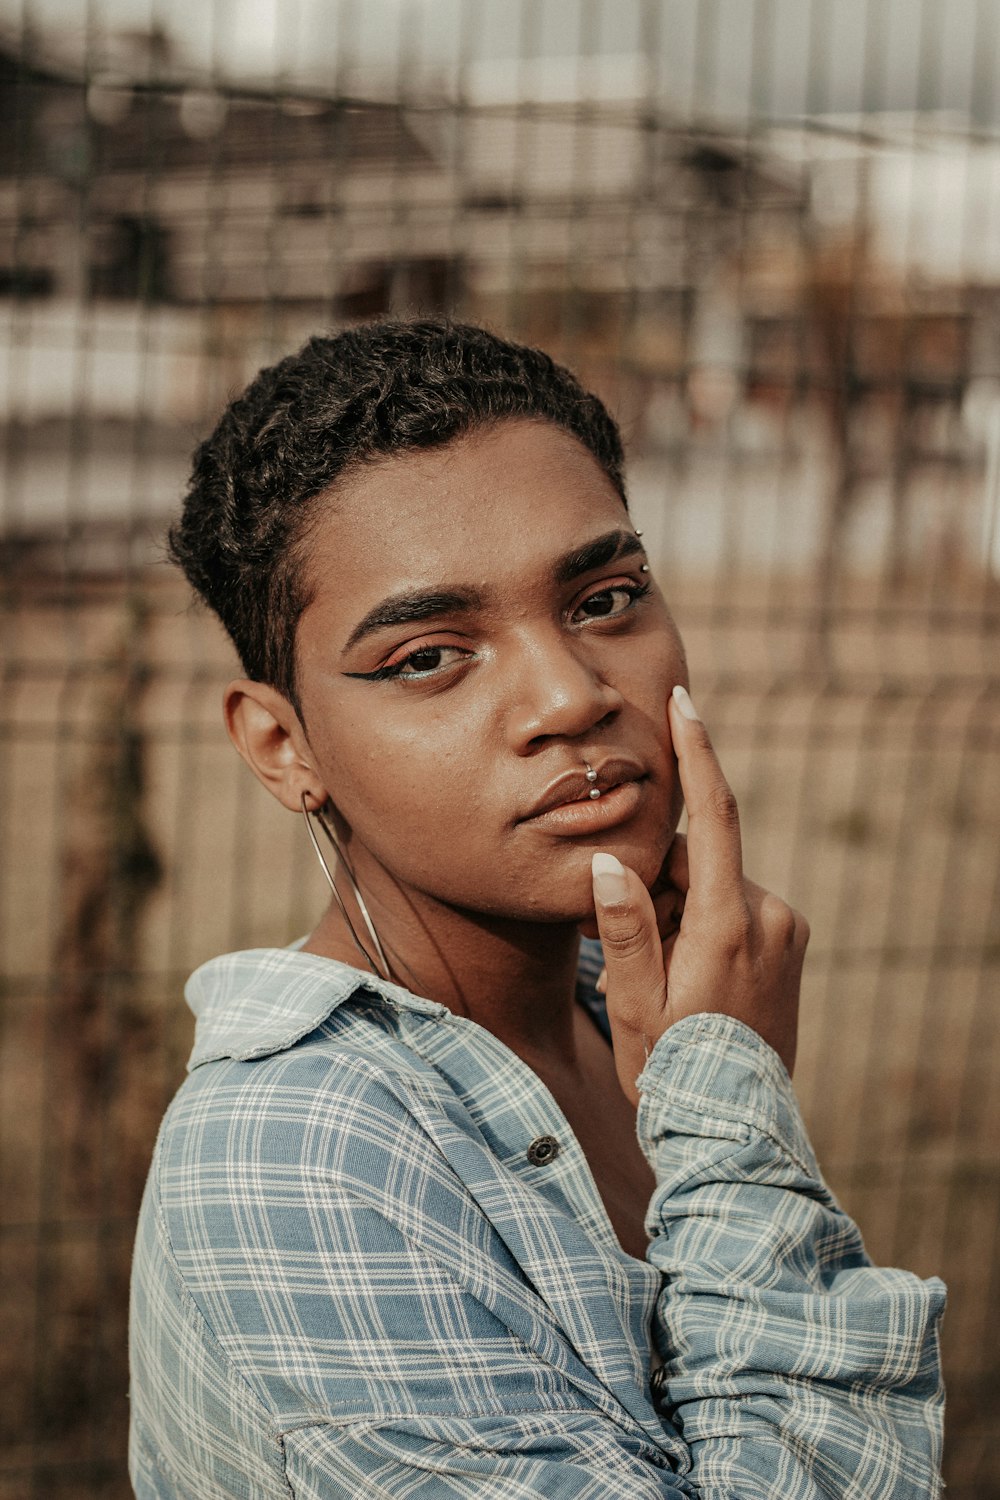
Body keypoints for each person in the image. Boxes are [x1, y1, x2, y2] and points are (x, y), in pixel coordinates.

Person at [129, 319, 945, 1498]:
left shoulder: (624, 1020)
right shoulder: (300, 1156)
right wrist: (729, 1114)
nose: (570, 695)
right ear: (282, 744)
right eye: (426, 658)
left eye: (606, 597)